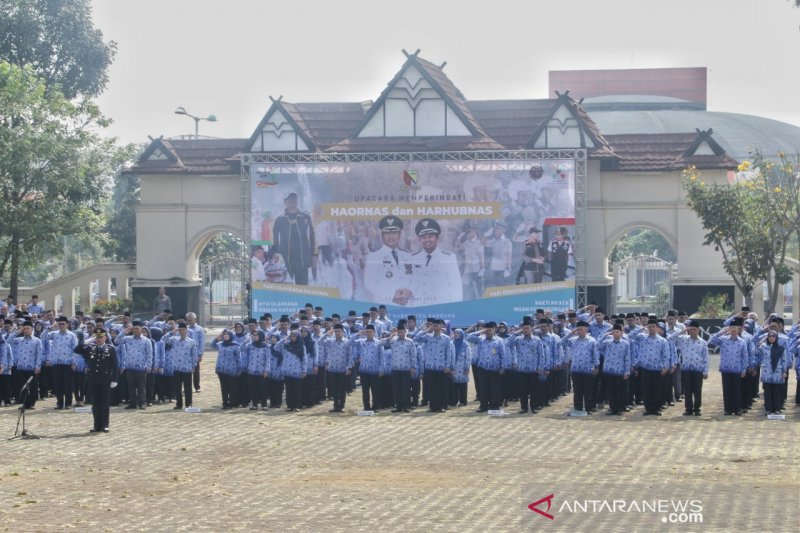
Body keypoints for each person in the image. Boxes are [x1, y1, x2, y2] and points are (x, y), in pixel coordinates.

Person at [74, 328, 119, 433]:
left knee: (105, 403)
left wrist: (115, 379)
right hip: (93, 380)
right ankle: (96, 425)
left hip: (105, 380)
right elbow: (76, 350)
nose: (98, 339)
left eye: (101, 337)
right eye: (97, 337)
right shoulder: (90, 348)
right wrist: (88, 340)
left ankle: (105, 425)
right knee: (95, 403)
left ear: (105, 338)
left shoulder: (111, 349)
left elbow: (115, 365)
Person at [409, 218, 463, 305]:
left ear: (437, 238)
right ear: (420, 240)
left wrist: (455, 309)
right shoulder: (412, 259)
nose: (427, 240)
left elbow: (455, 287)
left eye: (430, 237)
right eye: (423, 237)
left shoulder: (449, 258)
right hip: (418, 309)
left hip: (440, 309)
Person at [364, 216, 414, 305]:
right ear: (382, 235)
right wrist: (392, 296)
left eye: (394, 232)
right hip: (384, 304)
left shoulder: (407, 256)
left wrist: (409, 291)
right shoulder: (374, 256)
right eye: (387, 233)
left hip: (407, 304)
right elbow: (369, 283)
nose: (391, 236)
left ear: (399, 235)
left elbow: (413, 278)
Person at [708, 318, 749, 416]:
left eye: (735, 328)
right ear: (729, 329)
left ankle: (737, 409)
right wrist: (721, 332)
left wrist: (744, 369)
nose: (734, 330)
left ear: (738, 329)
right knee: (727, 390)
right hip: (726, 369)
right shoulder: (723, 340)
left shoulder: (742, 342)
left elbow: (745, 357)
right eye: (732, 328)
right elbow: (712, 341)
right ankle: (728, 409)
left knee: (737, 391)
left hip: (737, 369)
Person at [272, 191, 315, 285]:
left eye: (294, 198)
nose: (293, 201)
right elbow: (275, 241)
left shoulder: (306, 217)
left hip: (302, 260)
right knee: (288, 290)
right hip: (286, 261)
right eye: (290, 199)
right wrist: (279, 258)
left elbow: (312, 237)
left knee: (303, 289)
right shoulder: (279, 220)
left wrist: (313, 254)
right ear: (285, 202)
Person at [467, 322, 507, 412]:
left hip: (495, 368)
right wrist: (481, 331)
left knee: (495, 388)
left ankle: (495, 405)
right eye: (486, 330)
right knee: (483, 388)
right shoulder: (480, 339)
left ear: (494, 330)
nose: (488, 332)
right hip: (483, 368)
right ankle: (483, 406)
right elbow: (468, 337)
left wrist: (502, 367)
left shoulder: (499, 340)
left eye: (490, 330)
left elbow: (503, 355)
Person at [562, 321, 599, 413]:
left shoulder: (592, 341)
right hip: (575, 369)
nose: (578, 331)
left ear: (586, 330)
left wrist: (596, 367)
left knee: (588, 390)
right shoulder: (573, 340)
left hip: (588, 369)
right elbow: (562, 342)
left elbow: (595, 355)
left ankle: (589, 407)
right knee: (577, 390)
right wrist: (570, 333)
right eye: (577, 329)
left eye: (580, 329)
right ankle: (577, 407)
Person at [117, 320, 153, 410]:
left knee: (141, 386)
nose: (135, 330)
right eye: (134, 329)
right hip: (130, 366)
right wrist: (125, 331)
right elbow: (117, 340)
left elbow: (149, 354)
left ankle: (142, 403)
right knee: (131, 386)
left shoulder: (146, 341)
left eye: (137, 329)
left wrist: (149, 365)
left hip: (141, 367)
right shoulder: (128, 339)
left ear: (141, 329)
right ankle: (133, 402)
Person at [45, 316, 79, 409]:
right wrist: (51, 327)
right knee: (58, 384)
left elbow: (75, 350)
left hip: (68, 363)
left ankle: (68, 403)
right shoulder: (54, 334)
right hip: (56, 363)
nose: (61, 325)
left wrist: (74, 362)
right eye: (59, 324)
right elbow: (42, 337)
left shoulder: (72, 335)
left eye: (63, 324)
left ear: (67, 324)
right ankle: (59, 403)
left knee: (68, 384)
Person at [163, 322, 199, 410]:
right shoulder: (174, 340)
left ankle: (188, 404)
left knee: (188, 387)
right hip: (176, 367)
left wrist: (194, 366)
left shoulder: (191, 342)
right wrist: (172, 332)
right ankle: (179, 404)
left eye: (183, 330)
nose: (181, 332)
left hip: (187, 368)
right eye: (180, 330)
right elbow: (163, 339)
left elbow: (194, 355)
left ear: (186, 331)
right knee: (177, 387)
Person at [757, 331, 789, 415]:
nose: (771, 338)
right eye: (769, 336)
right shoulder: (764, 347)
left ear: (776, 337)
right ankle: (768, 409)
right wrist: (761, 341)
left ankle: (777, 409)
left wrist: (784, 371)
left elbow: (784, 360)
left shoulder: (781, 347)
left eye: (773, 336)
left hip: (777, 373)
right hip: (767, 372)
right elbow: (755, 352)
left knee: (777, 392)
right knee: (767, 392)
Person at [486, 222, 512, 287]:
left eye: (498, 229)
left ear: (503, 230)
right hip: (495, 267)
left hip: (503, 268)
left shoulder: (507, 242)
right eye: (495, 230)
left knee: (503, 286)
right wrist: (486, 235)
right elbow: (481, 243)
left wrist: (507, 268)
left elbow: (508, 256)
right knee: (497, 285)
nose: (496, 231)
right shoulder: (493, 241)